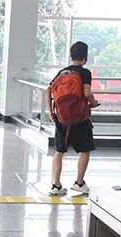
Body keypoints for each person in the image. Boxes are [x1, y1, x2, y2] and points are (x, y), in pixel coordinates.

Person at [44, 40, 100, 196]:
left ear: (70, 55)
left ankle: (55, 186)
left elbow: (47, 91)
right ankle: (79, 183)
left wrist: (51, 112)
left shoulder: (63, 72)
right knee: (85, 150)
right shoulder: (85, 73)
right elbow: (87, 93)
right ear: (85, 57)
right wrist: (94, 104)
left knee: (59, 151)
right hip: (80, 118)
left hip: (61, 118)